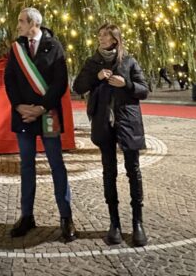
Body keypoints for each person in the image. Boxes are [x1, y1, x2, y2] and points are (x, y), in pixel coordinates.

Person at [72, 23, 149, 247]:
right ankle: (114, 224)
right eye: (99, 35)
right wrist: (96, 77)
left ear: (115, 39)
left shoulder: (129, 61)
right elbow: (78, 86)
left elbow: (144, 89)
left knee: (133, 171)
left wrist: (126, 83)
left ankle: (137, 223)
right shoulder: (93, 61)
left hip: (128, 121)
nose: (101, 38)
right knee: (109, 172)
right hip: (103, 122)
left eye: (105, 35)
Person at [5, 7, 76, 243]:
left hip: (48, 114)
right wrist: (18, 106)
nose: (18, 26)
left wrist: (41, 108)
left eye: (21, 21)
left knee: (56, 164)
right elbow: (10, 80)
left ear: (33, 23)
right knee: (26, 166)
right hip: (23, 114)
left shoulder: (54, 46)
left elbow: (60, 82)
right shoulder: (17, 48)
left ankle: (66, 217)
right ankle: (27, 216)